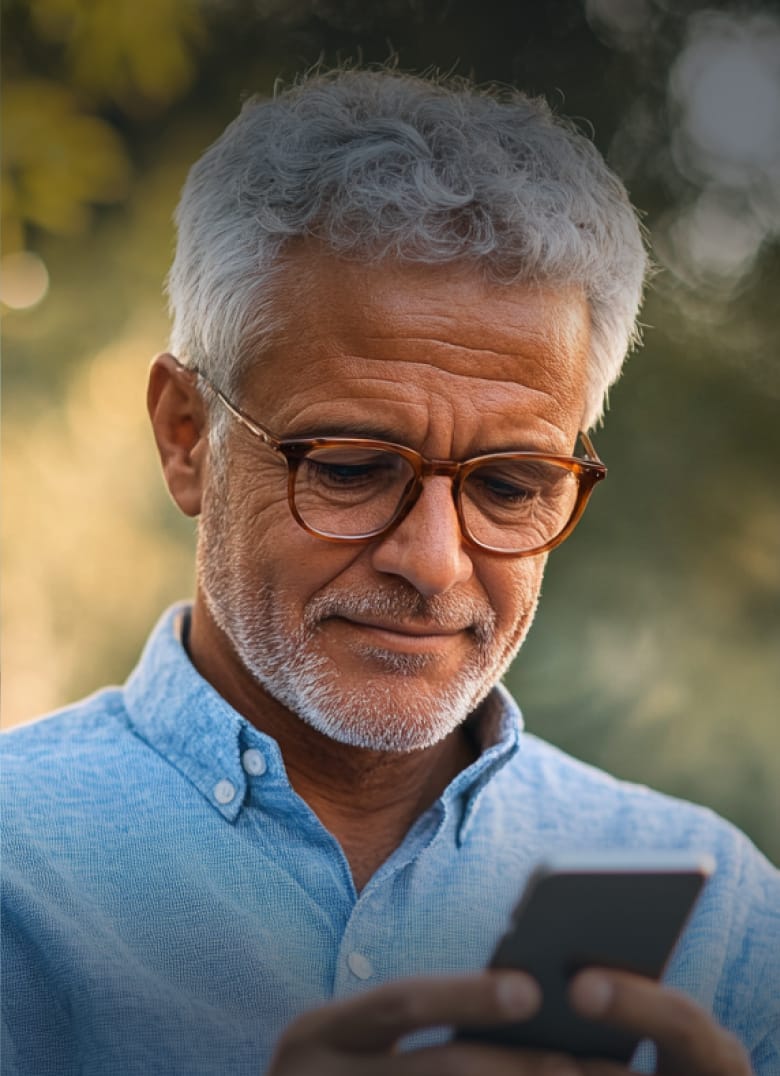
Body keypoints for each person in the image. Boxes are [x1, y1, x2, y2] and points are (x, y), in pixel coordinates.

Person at [2, 67, 777, 1076]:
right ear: (186, 436)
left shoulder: (723, 918)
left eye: (509, 484)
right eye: (354, 467)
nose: (434, 560)